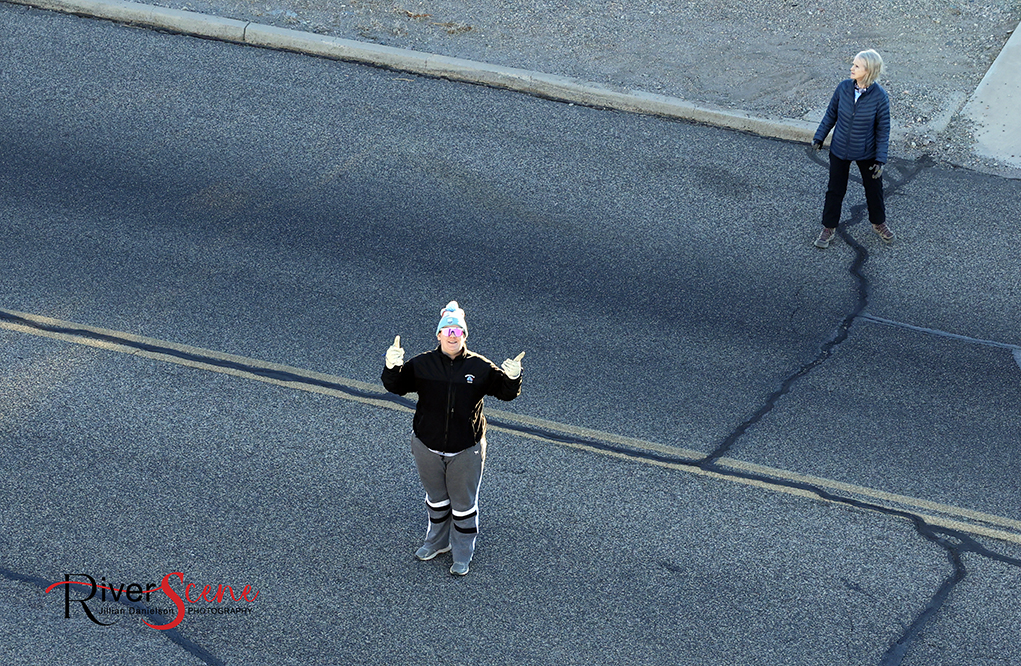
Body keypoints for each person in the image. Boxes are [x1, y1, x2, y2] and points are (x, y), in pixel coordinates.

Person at [381, 301, 524, 576]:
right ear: (438, 335)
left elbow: (505, 393)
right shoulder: (423, 364)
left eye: (457, 330)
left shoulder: (480, 367)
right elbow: (396, 386)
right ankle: (436, 542)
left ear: (464, 335)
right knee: (435, 499)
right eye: (446, 330)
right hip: (427, 445)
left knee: (463, 506)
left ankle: (462, 553)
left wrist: (513, 378)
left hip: (465, 450)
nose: (451, 335)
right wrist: (392, 366)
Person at [812, 49, 894, 249]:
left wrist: (880, 159)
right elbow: (831, 114)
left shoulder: (880, 97)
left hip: (867, 152)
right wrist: (819, 136)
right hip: (840, 148)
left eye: (857, 66)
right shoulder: (843, 88)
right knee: (835, 190)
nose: (852, 68)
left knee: (874, 190)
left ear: (868, 71)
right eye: (853, 64)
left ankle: (878, 223)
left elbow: (883, 130)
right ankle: (828, 227)